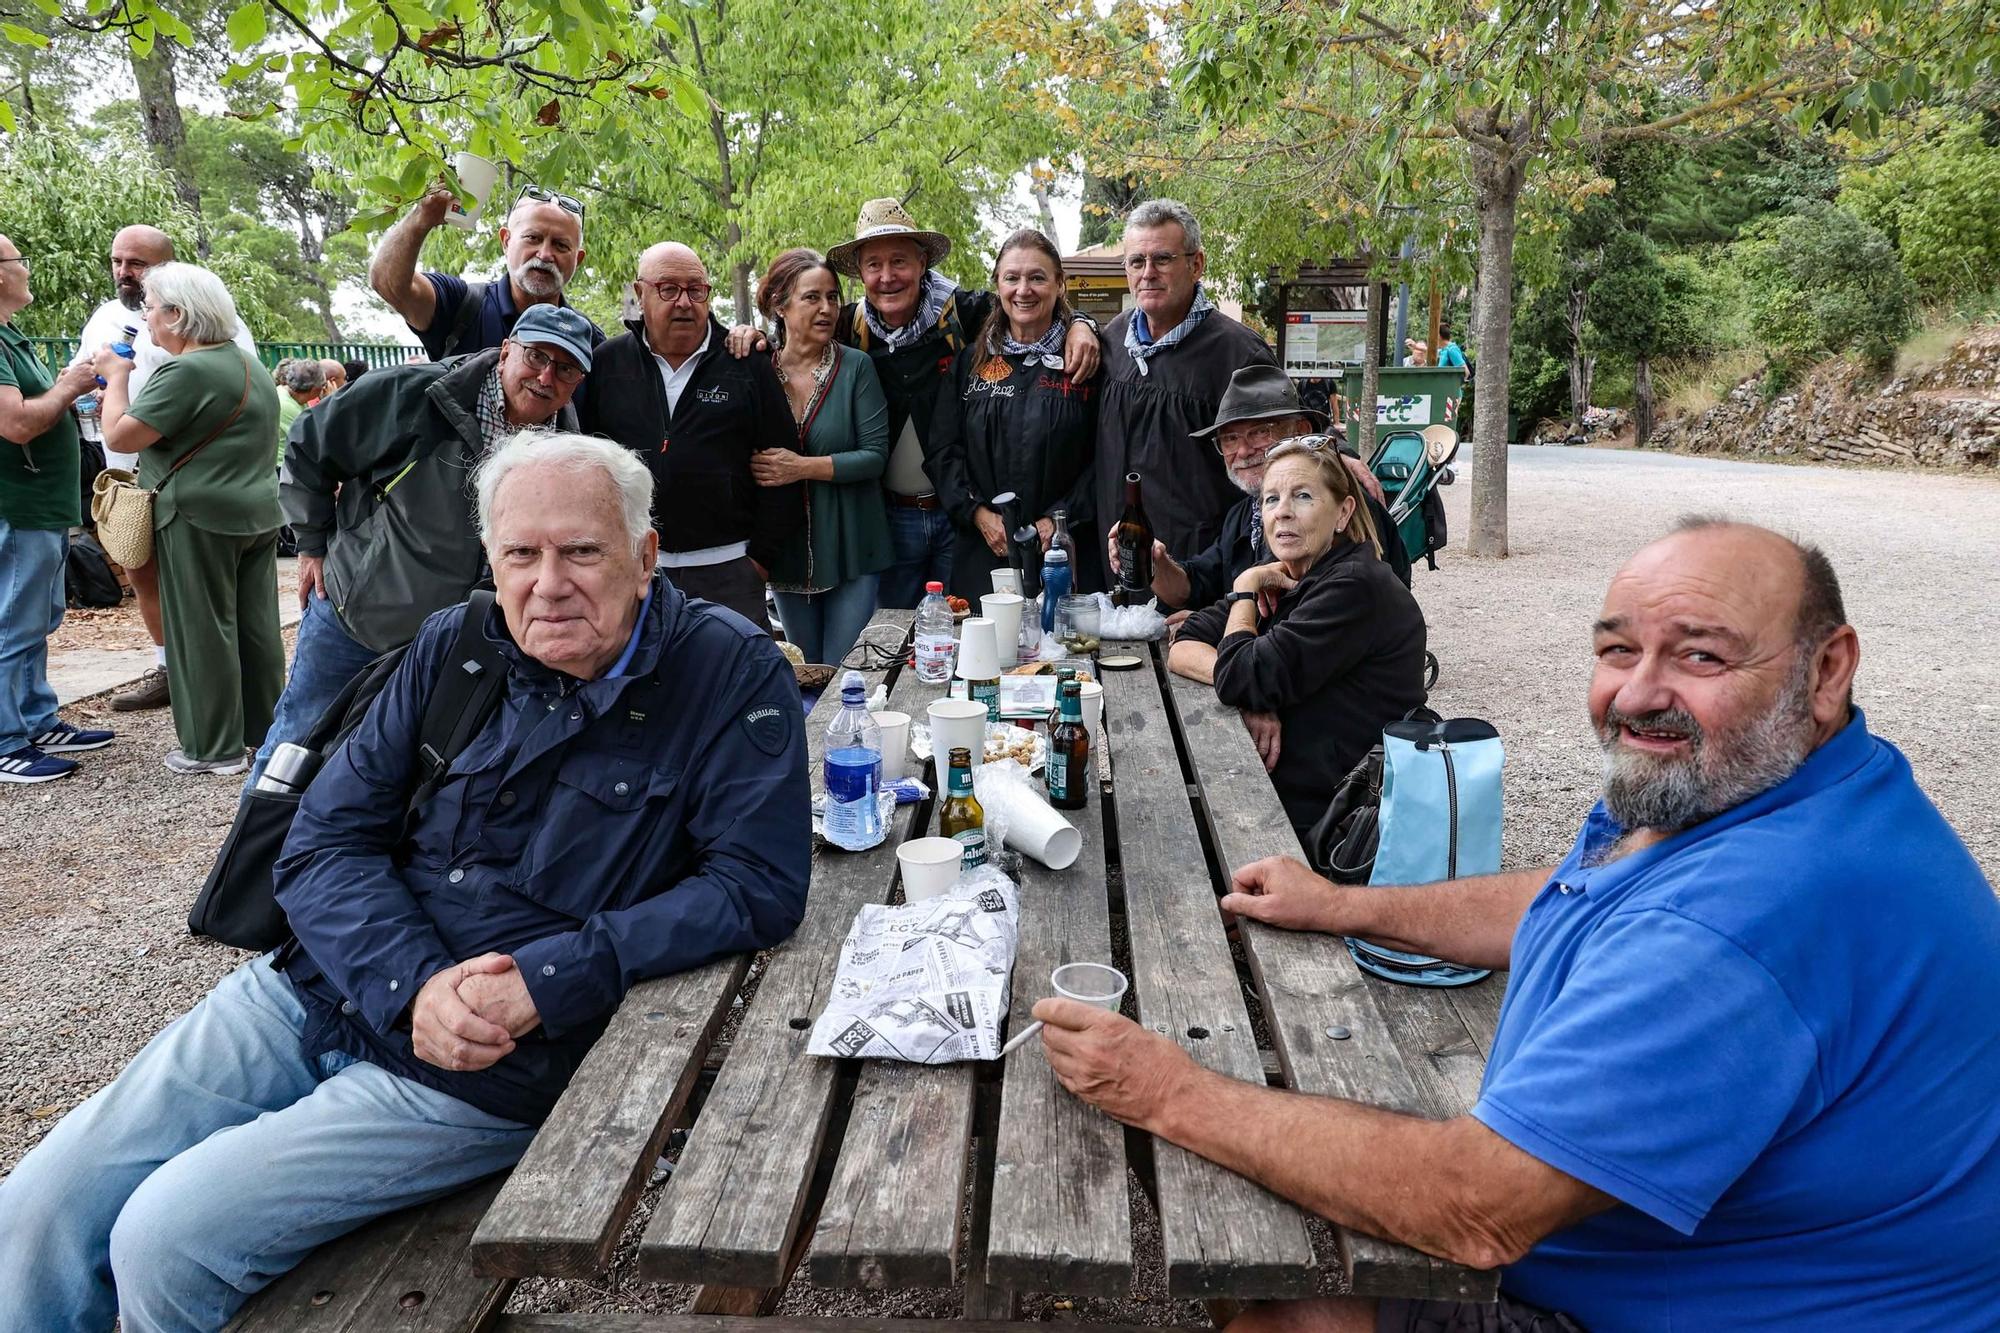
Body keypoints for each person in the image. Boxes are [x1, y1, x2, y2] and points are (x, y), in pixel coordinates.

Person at [1040, 518, 2000, 1333]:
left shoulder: (1751, 921)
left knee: (1295, 1291)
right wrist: (1341, 904)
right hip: (1648, 1237)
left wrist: (1164, 1089)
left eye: (1701, 654)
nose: (1637, 693)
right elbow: (1578, 887)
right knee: (1277, 1213)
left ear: (1827, 667)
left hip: (1664, 1302)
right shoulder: (1773, 787)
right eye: (1618, 649)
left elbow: (1475, 1207)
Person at [0, 430, 812, 1331]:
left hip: (484, 1064)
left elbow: (757, 884)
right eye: (521, 554)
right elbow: (321, 841)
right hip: (315, 989)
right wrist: (413, 984)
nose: (549, 582)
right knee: (36, 1210)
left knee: (165, 1239)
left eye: (583, 550)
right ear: (491, 560)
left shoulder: (728, 669)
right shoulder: (457, 644)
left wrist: (552, 981)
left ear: (645, 556)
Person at [252, 303, 591, 789]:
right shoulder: (416, 394)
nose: (545, 375)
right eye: (536, 355)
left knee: (401, 766)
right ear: (505, 352)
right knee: (297, 747)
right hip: (360, 613)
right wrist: (310, 543)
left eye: (566, 367)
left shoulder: (566, 446)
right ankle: (254, 859)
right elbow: (309, 443)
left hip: (451, 646)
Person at [728, 198, 1101, 607]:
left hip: (959, 519)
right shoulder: (847, 329)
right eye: (874, 265)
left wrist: (1082, 325)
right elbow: (793, 340)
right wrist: (752, 336)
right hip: (889, 518)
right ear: (862, 273)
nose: (888, 277)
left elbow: (1026, 303)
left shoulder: (964, 314)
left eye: (900, 262)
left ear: (922, 264)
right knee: (895, 635)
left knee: (960, 628)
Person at [91, 263, 282, 777]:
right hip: (256, 512)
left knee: (200, 628)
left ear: (177, 315)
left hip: (198, 514)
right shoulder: (247, 363)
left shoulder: (187, 371)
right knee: (256, 627)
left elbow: (120, 437)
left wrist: (117, 376)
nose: (147, 319)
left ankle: (211, 747)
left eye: (151, 308)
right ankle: (265, 734)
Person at [1169, 438, 1425, 820]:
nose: (1282, 512)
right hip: (1281, 786)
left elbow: (1242, 674)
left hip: (1338, 817)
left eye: (1302, 496)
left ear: (1342, 513)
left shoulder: (1355, 586)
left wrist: (1244, 596)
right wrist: (1253, 695)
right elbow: (1183, 645)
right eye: (1271, 499)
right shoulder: (1286, 573)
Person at [77, 224, 260, 714]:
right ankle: (170, 668)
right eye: (117, 261)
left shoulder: (207, 319)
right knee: (141, 570)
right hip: (129, 472)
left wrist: (121, 390)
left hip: (186, 475)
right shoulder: (103, 319)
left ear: (165, 266)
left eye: (136, 263)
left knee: (201, 587)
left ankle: (215, 698)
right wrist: (95, 388)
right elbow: (86, 379)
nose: (123, 272)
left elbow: (228, 387)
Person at [579, 242, 801, 629]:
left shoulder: (746, 363)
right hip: (633, 572)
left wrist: (759, 562)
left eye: (695, 290)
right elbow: (585, 464)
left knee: (732, 684)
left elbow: (783, 467)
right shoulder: (606, 363)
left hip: (730, 571)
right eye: (668, 289)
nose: (684, 302)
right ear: (639, 293)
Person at [1112, 365, 1408, 619]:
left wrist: (1214, 627)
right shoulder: (1245, 513)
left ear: (1301, 429)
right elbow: (1194, 584)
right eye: (1229, 438)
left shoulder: (1340, 509)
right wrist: (1154, 561)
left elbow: (1315, 626)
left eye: (1259, 432)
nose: (1242, 451)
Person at [1095, 199, 1278, 560]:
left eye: (1162, 259)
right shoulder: (1112, 342)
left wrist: (1340, 455)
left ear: (1197, 264)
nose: (1148, 273)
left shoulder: (1238, 354)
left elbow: (1286, 447)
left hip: (1200, 573)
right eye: (1136, 261)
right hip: (1116, 564)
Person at [925, 228, 1102, 599]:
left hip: (1065, 552)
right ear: (998, 286)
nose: (1024, 290)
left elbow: (1105, 457)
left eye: (1037, 277)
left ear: (1059, 285)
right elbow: (943, 451)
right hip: (983, 550)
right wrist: (978, 515)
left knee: (1068, 654)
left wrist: (1059, 521)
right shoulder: (969, 364)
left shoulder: (1087, 363)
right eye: (1012, 278)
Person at [0, 233, 118, 784]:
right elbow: (17, 422)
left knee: (38, 619)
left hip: (40, 505)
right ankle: (7, 740)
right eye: (19, 260)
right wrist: (70, 384)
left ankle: (36, 720)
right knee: (12, 625)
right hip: (17, 505)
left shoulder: (11, 337)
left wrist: (74, 393)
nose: (26, 269)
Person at [749, 247, 893, 667]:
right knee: (805, 671)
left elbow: (874, 457)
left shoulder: (855, 368)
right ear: (780, 305)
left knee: (840, 673)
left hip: (853, 545)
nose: (827, 308)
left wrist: (800, 468)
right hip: (786, 552)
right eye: (812, 297)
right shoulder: (757, 370)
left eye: (832, 297)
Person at [368, 182, 605, 361]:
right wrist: (423, 217)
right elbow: (389, 284)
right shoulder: (461, 305)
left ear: (578, 259)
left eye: (560, 245)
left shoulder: (589, 341)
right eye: (533, 238)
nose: (544, 254)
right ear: (506, 241)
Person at [274, 358, 326, 470]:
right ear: (314, 389)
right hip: (284, 468)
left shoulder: (296, 398)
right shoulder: (285, 404)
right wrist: (329, 401)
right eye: (323, 385)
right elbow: (317, 441)